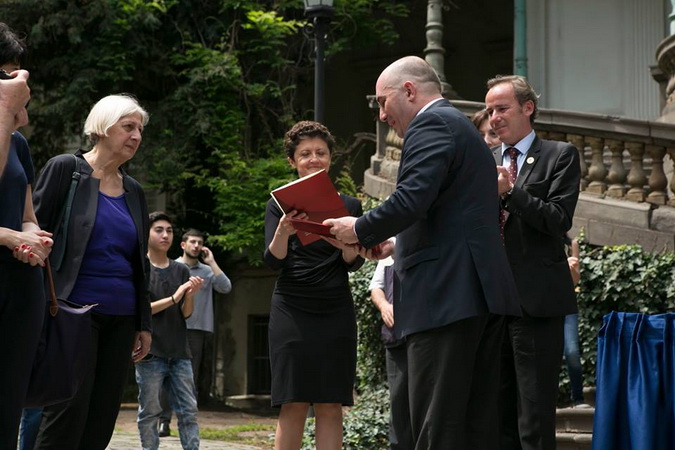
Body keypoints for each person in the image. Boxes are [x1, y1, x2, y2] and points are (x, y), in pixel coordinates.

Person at [326, 56, 521, 449]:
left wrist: (359, 228)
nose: (381, 115)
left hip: (444, 298)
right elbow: (449, 214)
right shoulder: (460, 128)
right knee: (473, 428)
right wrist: (392, 244)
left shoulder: (430, 123)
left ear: (410, 91)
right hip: (474, 295)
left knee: (438, 427)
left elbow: (412, 198)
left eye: (383, 102)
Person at [32, 94, 153, 449]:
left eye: (140, 130)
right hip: (71, 314)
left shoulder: (135, 191)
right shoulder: (65, 170)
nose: (136, 136)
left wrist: (143, 323)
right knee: (66, 415)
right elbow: (34, 235)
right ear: (101, 128)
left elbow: (140, 263)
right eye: (128, 127)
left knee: (102, 419)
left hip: (122, 316)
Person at [484, 74, 581, 450]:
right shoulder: (483, 159)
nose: (494, 117)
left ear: (528, 108)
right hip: (491, 304)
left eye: (502, 108)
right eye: (490, 110)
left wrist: (511, 194)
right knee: (497, 413)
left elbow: (558, 220)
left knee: (535, 414)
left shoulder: (560, 155)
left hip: (537, 304)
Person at [264, 120, 364, 449]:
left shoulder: (350, 206)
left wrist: (344, 246)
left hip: (335, 308)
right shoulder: (278, 204)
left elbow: (355, 262)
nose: (313, 159)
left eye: (320, 153)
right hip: (291, 308)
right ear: (292, 161)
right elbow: (274, 262)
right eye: (305, 154)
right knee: (292, 401)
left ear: (330, 158)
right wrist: (282, 232)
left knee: (331, 403)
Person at [0, 23, 52, 450]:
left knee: (8, 405)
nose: (18, 83)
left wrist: (32, 237)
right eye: (7, 73)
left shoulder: (17, 143)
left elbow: (28, 215)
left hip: (19, 285)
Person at [136, 211, 203, 450]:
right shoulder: (140, 269)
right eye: (159, 230)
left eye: (169, 231)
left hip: (179, 351)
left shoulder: (181, 269)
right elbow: (141, 310)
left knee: (188, 410)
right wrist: (174, 298)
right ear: (148, 233)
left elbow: (185, 313)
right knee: (150, 412)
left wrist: (190, 296)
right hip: (150, 352)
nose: (165, 235)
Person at [158, 228, 232, 437]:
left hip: (197, 331)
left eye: (199, 243)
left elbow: (226, 287)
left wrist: (213, 263)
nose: (196, 246)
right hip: (172, 328)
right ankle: (164, 421)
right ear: (183, 245)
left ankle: (186, 422)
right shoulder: (171, 267)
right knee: (166, 375)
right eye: (192, 242)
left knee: (189, 378)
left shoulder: (207, 272)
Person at [368, 237, 413, 450]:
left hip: (422, 334)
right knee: (398, 400)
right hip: (395, 338)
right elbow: (376, 288)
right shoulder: (388, 247)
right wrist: (384, 305)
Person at [563, 234, 590, 408]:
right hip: (543, 305)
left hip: (566, 304)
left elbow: (575, 280)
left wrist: (571, 269)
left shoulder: (572, 244)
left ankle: (578, 398)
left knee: (572, 351)